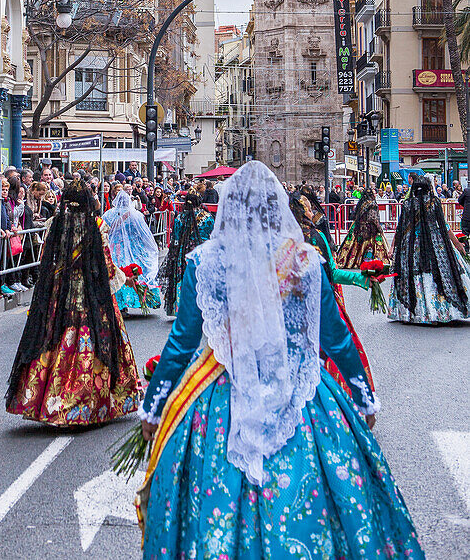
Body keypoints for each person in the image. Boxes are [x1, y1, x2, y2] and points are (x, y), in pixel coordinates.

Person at [137, 161, 424, 560]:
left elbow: (181, 344)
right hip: (303, 394)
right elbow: (337, 339)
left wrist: (154, 408)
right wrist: (363, 398)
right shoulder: (303, 262)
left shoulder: (205, 264)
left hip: (222, 397)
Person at [6, 178, 140, 426]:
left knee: (55, 336)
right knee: (96, 338)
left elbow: (47, 258)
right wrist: (124, 279)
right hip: (91, 291)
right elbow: (106, 266)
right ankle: (87, 402)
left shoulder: (54, 224)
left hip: (61, 289)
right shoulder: (97, 226)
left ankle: (46, 399)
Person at [290, 190, 375, 401]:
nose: (312, 212)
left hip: (288, 314)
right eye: (308, 209)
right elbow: (332, 273)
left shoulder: (281, 239)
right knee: (337, 347)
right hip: (319, 307)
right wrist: (362, 279)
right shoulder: (316, 237)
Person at [388, 174, 470, 323]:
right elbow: (444, 226)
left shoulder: (407, 204)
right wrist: (457, 244)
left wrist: (393, 247)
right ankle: (440, 311)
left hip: (413, 245)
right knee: (438, 273)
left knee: (414, 274)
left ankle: (414, 312)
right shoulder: (433, 203)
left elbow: (401, 228)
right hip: (435, 243)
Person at [103, 190, 161, 312]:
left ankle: (120, 303)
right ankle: (143, 299)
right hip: (133, 247)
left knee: (118, 272)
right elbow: (143, 233)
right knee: (132, 270)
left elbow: (104, 230)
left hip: (115, 248)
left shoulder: (109, 214)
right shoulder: (136, 214)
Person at [158, 192, 213, 316]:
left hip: (184, 251)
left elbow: (175, 238)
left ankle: (181, 308)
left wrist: (174, 253)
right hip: (202, 250)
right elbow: (211, 234)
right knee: (201, 277)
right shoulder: (207, 216)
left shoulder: (180, 218)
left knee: (183, 277)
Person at [336, 185, 390, 268]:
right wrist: (379, 228)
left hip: (358, 226)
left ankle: (354, 261)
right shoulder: (372, 204)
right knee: (371, 245)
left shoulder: (361, 203)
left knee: (356, 245)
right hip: (369, 228)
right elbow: (373, 218)